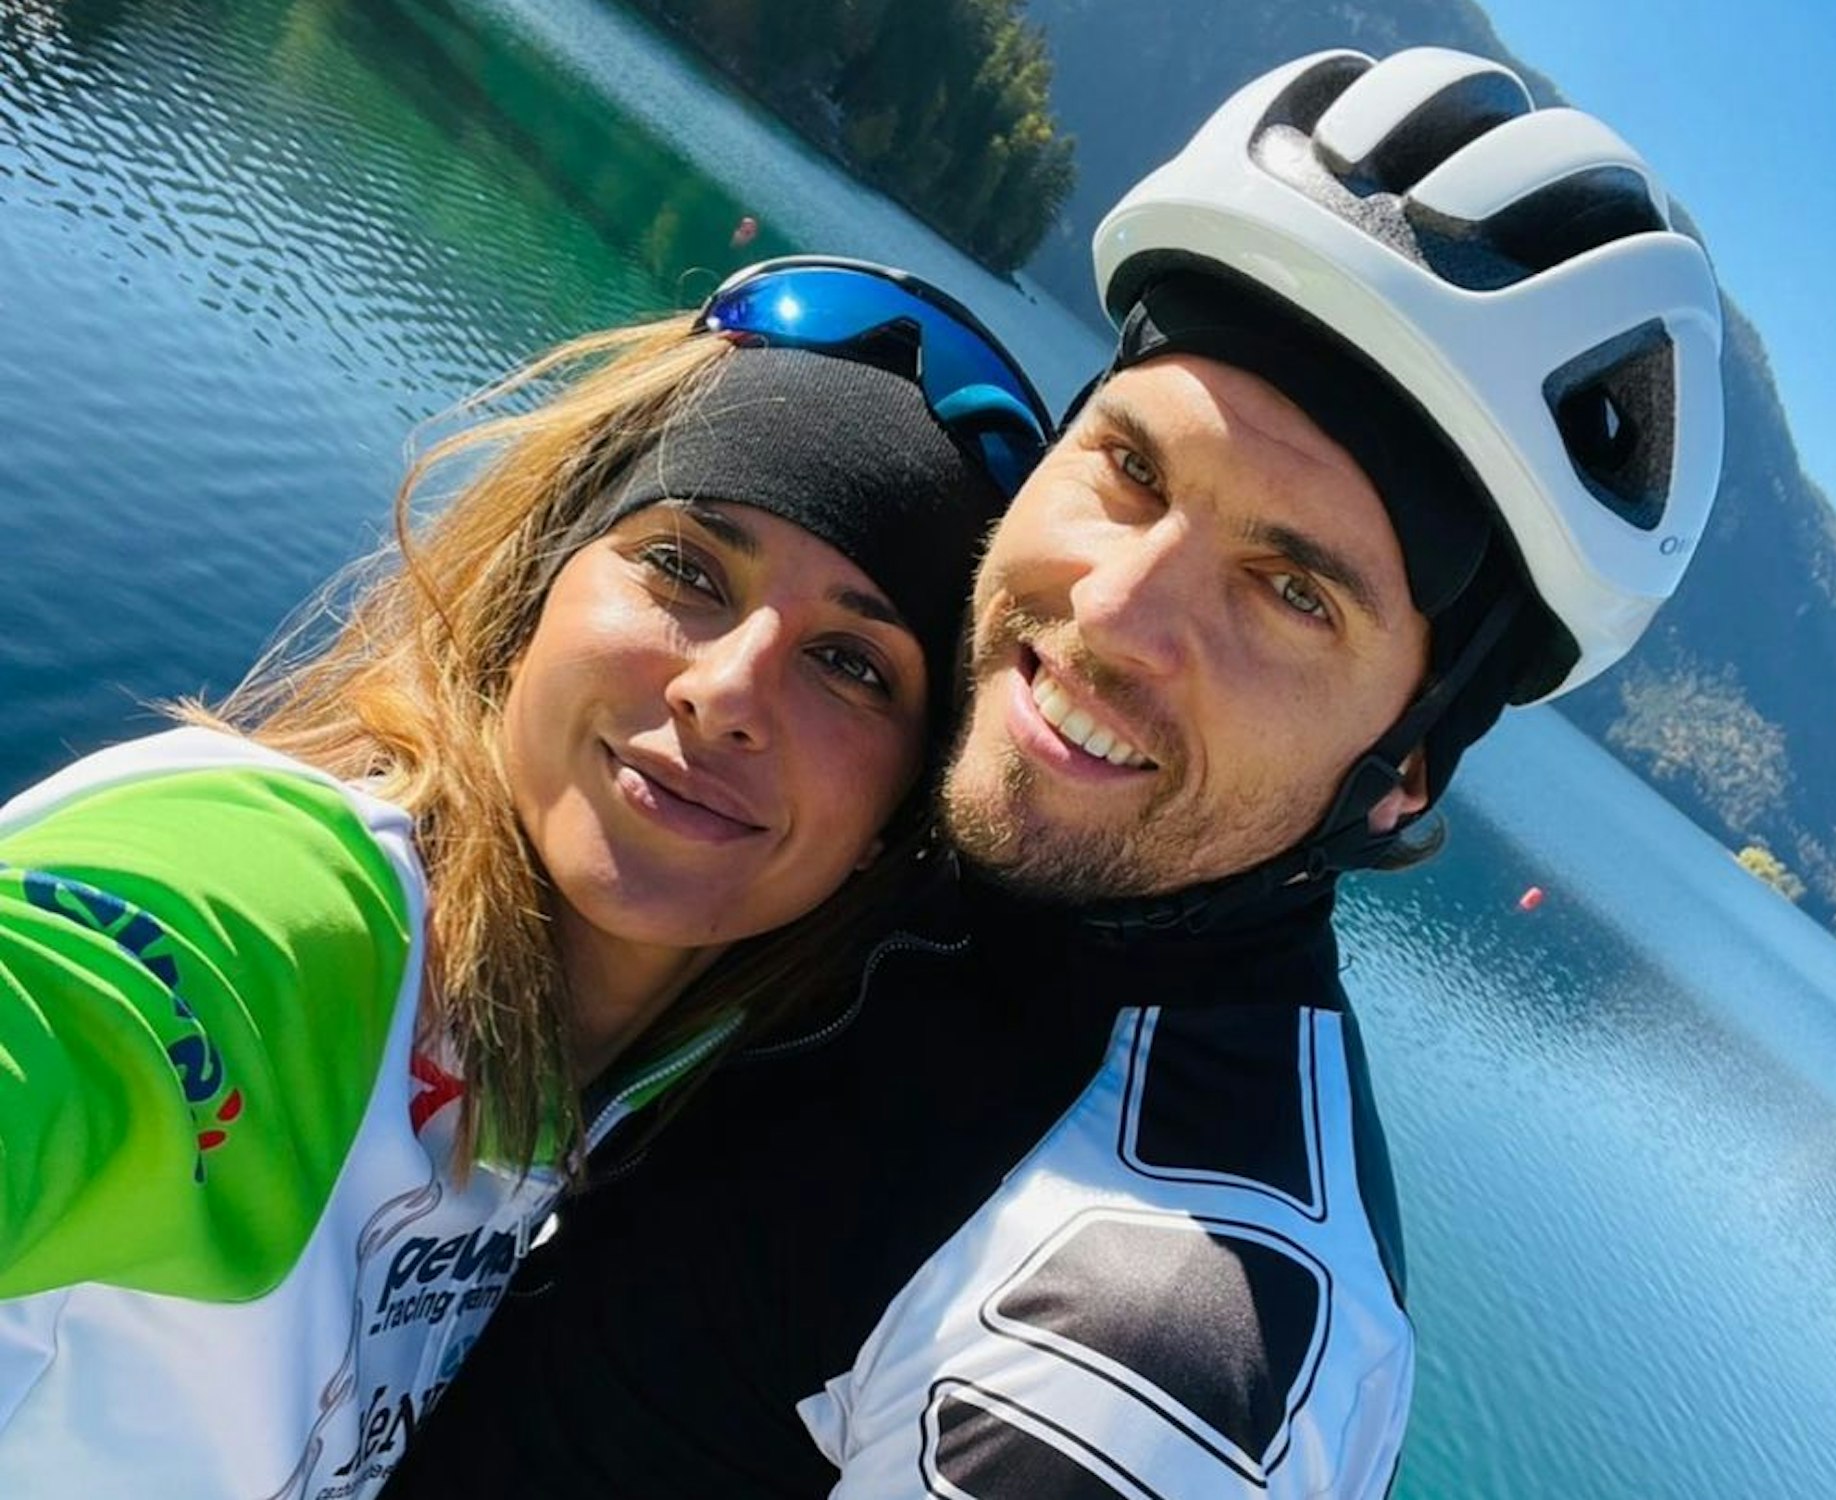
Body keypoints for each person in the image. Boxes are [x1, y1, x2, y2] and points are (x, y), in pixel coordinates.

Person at [385, 45, 1724, 1499]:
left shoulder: (1159, 1337)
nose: (1113, 615)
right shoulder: (936, 847)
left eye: (1291, 593)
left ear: (1402, 766)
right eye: (1134, 471)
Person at [0, 258, 1049, 1499]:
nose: (727, 694)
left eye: (851, 664)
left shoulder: (617, 1127)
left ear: (895, 819)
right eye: (686, 569)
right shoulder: (289, 916)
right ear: (540, 587)